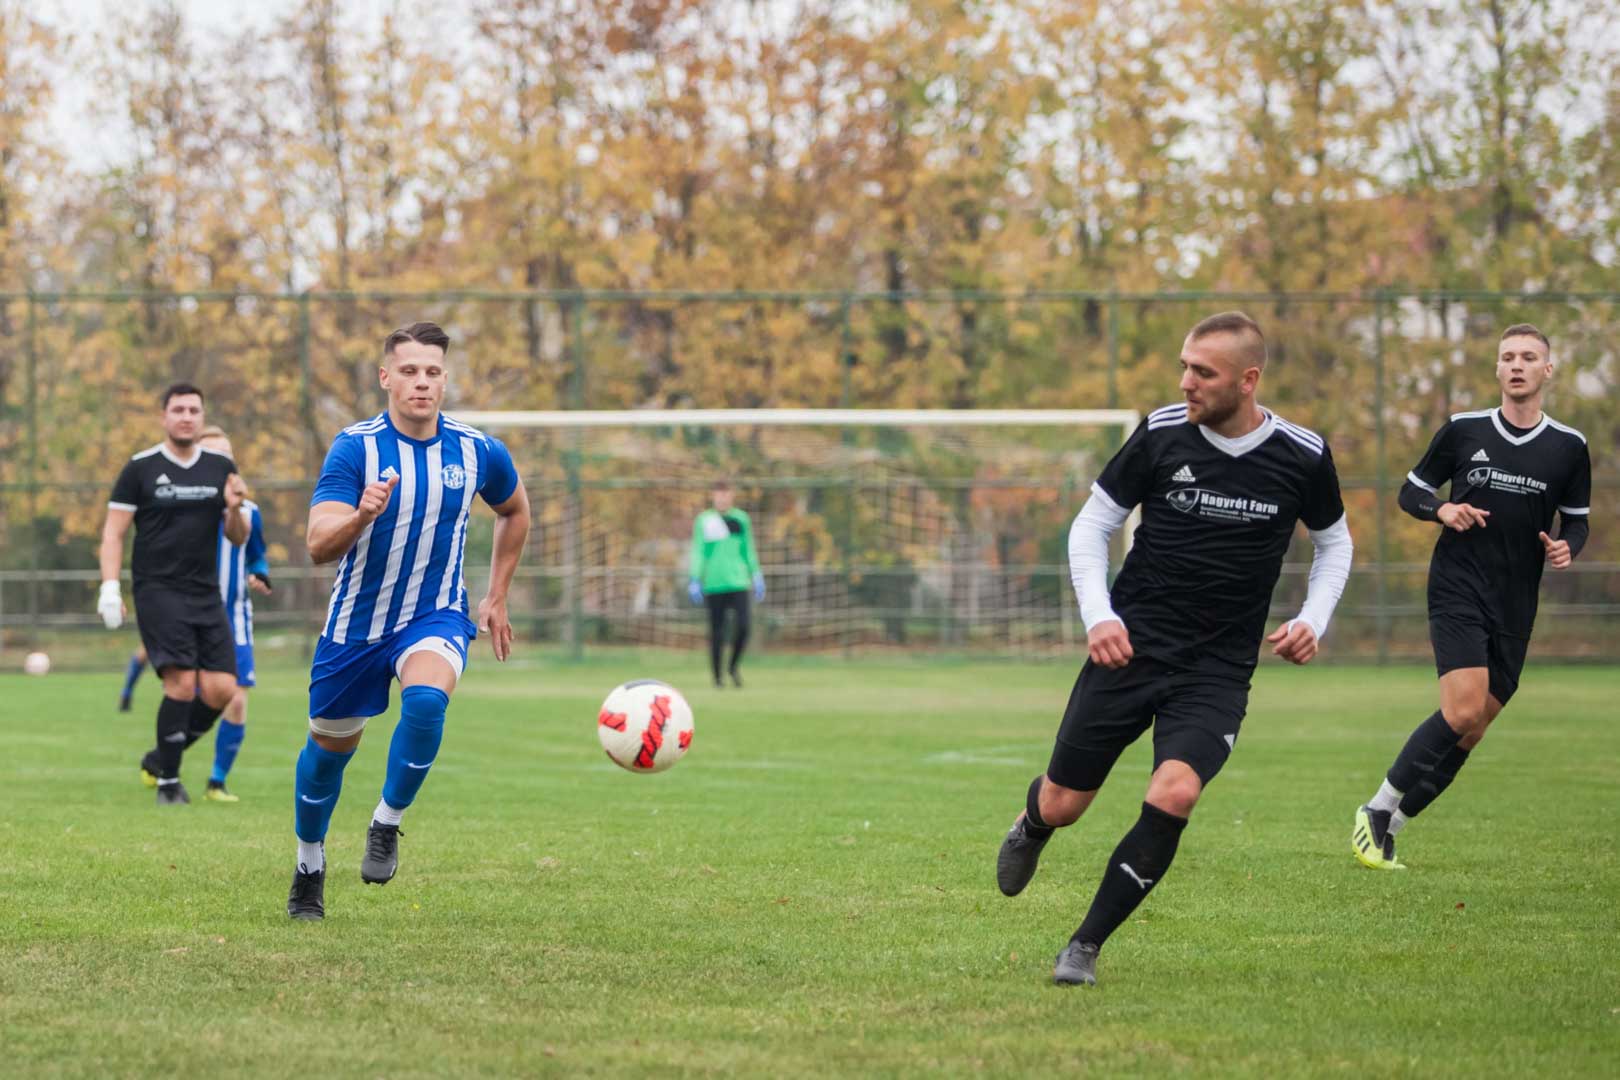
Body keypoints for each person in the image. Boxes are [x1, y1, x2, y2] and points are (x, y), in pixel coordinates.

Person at [994, 312, 1353, 987]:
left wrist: (1314, 618)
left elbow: (1334, 542)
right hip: (1128, 651)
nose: (1186, 381)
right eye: (1184, 366)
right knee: (1067, 803)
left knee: (1176, 791)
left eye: (1203, 372)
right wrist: (1099, 616)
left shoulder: (1302, 454)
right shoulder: (1161, 433)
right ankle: (1034, 823)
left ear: (1247, 380)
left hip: (1217, 670)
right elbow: (1092, 525)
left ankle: (1084, 945)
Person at [287, 321, 530, 921]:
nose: (422, 382)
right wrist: (360, 515)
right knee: (327, 753)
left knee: (425, 702)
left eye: (433, 372)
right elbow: (317, 545)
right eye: (410, 371)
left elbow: (516, 510)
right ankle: (309, 863)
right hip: (355, 626)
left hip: (435, 614)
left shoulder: (477, 451)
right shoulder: (355, 448)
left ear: (445, 380)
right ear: (385, 378)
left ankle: (386, 822)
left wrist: (496, 595)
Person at [1352, 324, 1590, 870]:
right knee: (1461, 709)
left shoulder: (1569, 446)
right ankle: (1376, 809)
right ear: (1498, 368)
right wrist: (1441, 509)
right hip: (1458, 586)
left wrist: (1567, 547)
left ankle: (1391, 829)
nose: (1517, 365)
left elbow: (1577, 522)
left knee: (1473, 728)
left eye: (1528, 357)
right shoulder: (1464, 430)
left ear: (1547, 370)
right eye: (1508, 357)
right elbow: (1410, 492)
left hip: (1516, 601)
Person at [99, 383, 249, 805]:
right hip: (157, 589)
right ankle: (169, 783)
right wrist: (109, 587)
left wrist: (235, 507)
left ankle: (159, 758)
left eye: (194, 410)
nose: (186, 417)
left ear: (202, 417)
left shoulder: (221, 467)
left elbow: (237, 537)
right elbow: (113, 533)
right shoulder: (140, 468)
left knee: (222, 689)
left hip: (205, 592)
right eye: (178, 409)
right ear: (163, 416)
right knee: (181, 682)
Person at [129, 426, 272, 803]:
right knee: (186, 693)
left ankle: (216, 781)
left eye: (225, 456)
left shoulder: (248, 510)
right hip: (185, 612)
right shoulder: (181, 505)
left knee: (234, 698)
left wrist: (260, 572)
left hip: (234, 616)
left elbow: (255, 552)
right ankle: (165, 766)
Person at [688, 480, 764, 688]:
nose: (722, 498)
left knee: (744, 626)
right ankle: (717, 678)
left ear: (732, 495)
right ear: (713, 495)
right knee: (717, 632)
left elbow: (748, 549)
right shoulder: (705, 520)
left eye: (726, 493)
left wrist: (756, 573)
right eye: (718, 493)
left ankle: (733, 666)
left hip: (739, 581)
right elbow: (698, 550)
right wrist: (695, 577)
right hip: (714, 583)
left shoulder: (741, 519)